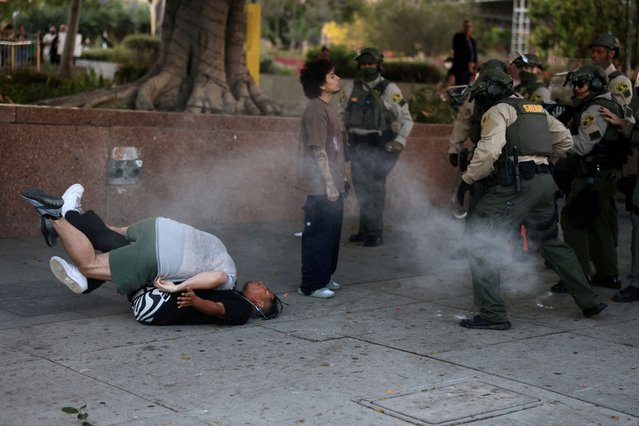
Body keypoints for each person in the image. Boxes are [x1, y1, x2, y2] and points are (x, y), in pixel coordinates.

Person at [455, 69, 607, 330]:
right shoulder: (535, 107)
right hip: (544, 182)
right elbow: (564, 140)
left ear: (490, 90)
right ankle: (589, 300)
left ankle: (493, 314)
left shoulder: (498, 111)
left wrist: (467, 180)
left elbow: (489, 150)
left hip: (515, 185)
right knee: (550, 241)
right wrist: (544, 161)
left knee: (479, 238)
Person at [20, 185, 282, 325]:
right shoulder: (230, 282)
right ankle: (57, 217)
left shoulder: (241, 306)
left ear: (259, 305)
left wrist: (185, 291)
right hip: (158, 258)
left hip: (160, 228)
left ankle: (72, 217)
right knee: (90, 265)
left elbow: (216, 297)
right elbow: (215, 281)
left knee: (108, 238)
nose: (264, 286)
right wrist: (181, 287)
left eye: (266, 293)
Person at [551, 65, 630, 293]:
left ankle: (577, 276)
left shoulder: (594, 109)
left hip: (594, 175)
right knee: (598, 221)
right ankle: (608, 274)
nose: (576, 89)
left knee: (572, 219)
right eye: (575, 84)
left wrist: (557, 135)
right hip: (604, 174)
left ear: (595, 84)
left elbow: (583, 146)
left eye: (581, 84)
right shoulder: (603, 103)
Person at [340, 47, 413, 247]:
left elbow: (406, 119)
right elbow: (341, 117)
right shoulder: (350, 89)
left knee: (375, 187)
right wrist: (341, 140)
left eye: (370, 64)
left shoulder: (390, 90)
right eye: (363, 64)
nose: (366, 68)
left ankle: (375, 232)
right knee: (362, 188)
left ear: (378, 65)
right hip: (358, 146)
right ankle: (364, 230)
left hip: (381, 146)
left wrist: (400, 140)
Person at [297, 57, 346, 299]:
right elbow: (318, 149)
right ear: (321, 83)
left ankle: (324, 277)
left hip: (333, 185)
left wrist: (341, 180)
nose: (337, 78)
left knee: (331, 233)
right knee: (318, 235)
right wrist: (328, 184)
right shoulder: (316, 110)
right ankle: (311, 284)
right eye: (332, 76)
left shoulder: (328, 108)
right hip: (321, 187)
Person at [590, 33, 633, 109]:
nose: (594, 55)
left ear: (611, 53)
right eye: (593, 51)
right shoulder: (589, 76)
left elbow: (615, 109)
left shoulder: (621, 81)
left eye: (599, 52)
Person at [451, 19, 477, 86]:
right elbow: (459, 52)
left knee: (467, 90)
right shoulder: (458, 37)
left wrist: (474, 68)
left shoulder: (472, 41)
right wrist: (468, 63)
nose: (468, 28)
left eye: (469, 26)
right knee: (460, 88)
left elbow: (474, 55)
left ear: (472, 28)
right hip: (461, 69)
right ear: (463, 27)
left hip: (470, 70)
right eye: (466, 26)